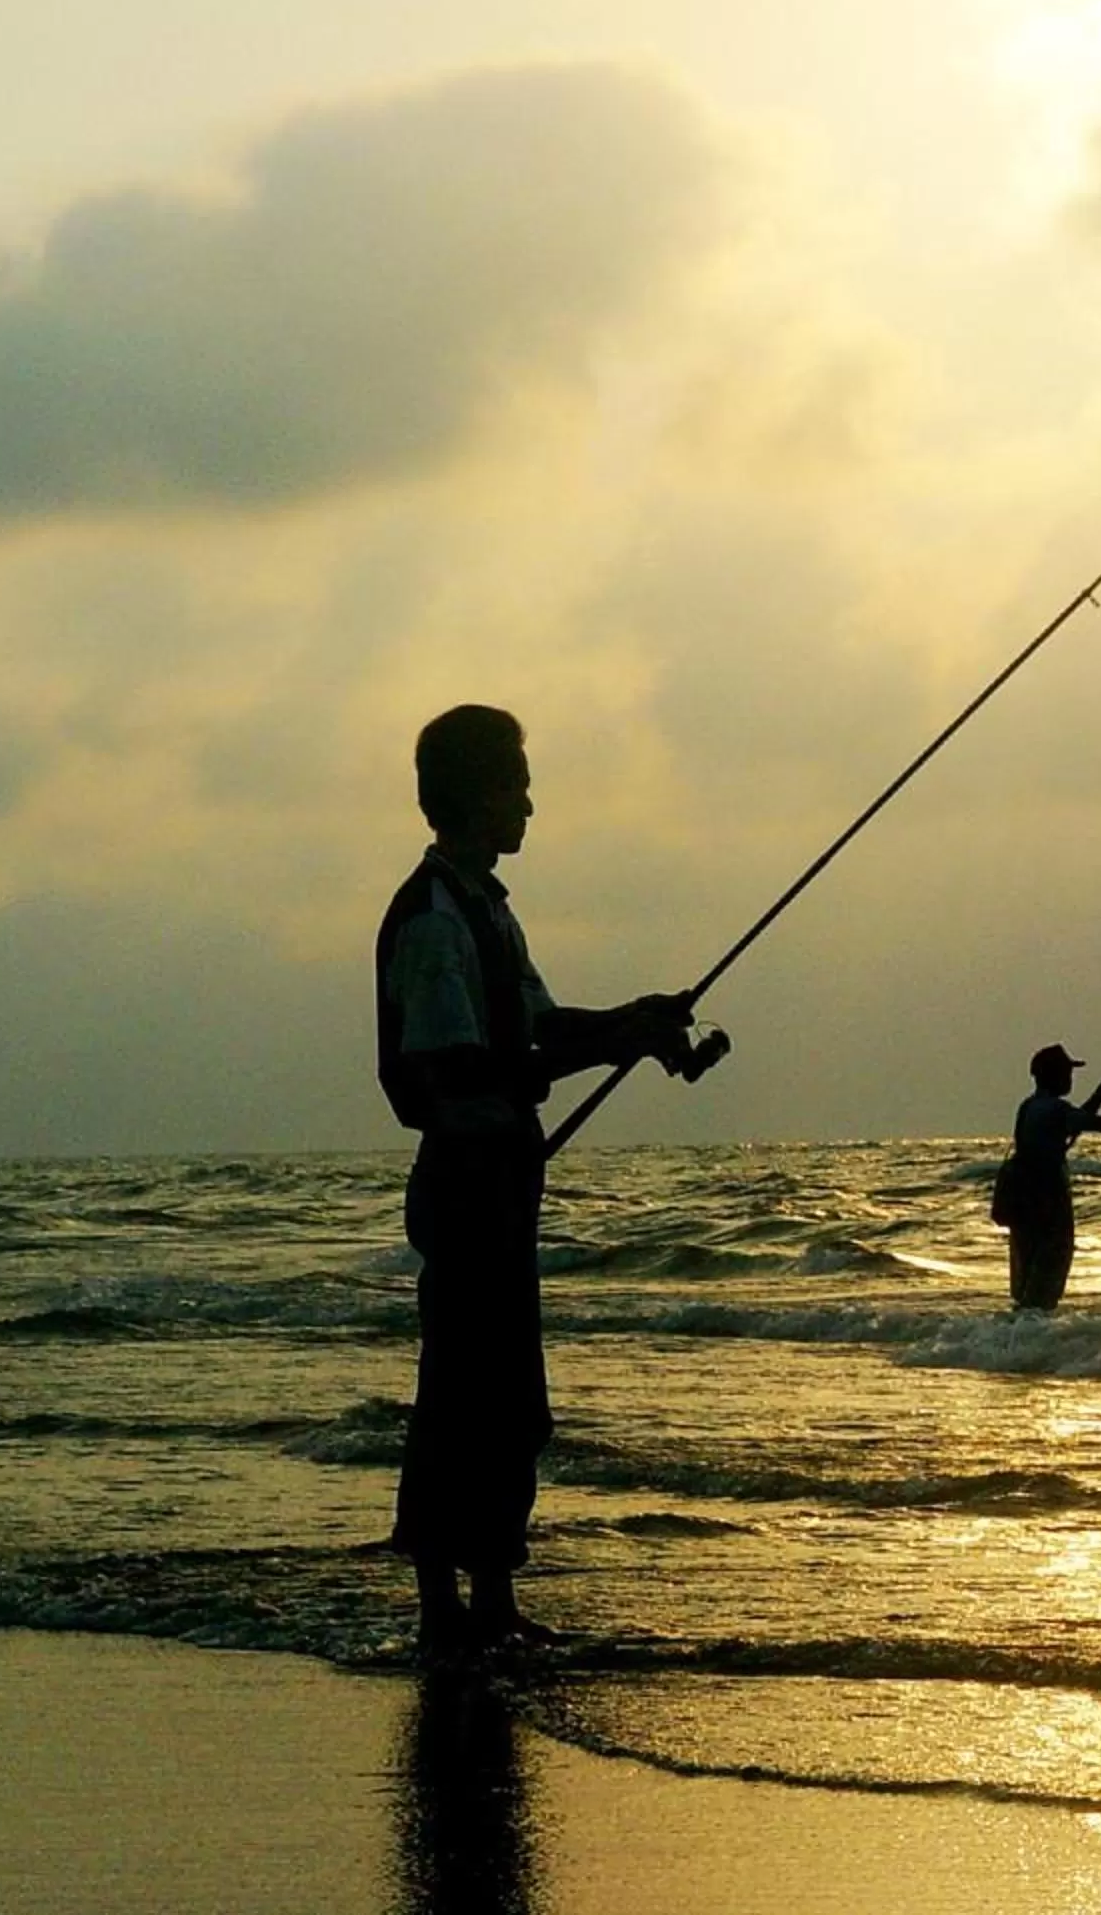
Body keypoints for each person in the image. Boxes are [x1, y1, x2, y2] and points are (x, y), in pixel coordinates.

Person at [375, 703, 718, 1654]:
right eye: (518, 785)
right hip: (466, 1179)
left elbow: (539, 1022)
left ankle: (491, 1599)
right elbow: (453, 1067)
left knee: (508, 1398)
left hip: (501, 1180)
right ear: (480, 796)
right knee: (463, 1396)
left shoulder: (485, 907)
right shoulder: (435, 918)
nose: (530, 803)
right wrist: (605, 1048)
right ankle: (447, 1609)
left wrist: (635, 1021)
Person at [994, 1043, 1101, 1310]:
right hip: (1049, 1204)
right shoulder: (1055, 1109)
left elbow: (1080, 1118)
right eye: (1067, 1072)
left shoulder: (1029, 1107)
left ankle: (1015, 1340)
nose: (1070, 1078)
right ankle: (1032, 1342)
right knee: (1046, 1285)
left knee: (1027, 1286)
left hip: (1023, 1205)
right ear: (1054, 1075)